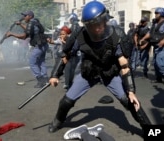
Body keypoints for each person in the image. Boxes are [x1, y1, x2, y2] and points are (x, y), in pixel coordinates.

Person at [48, 0, 151, 134]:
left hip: (109, 73)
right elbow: (65, 55)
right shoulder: (79, 35)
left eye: (99, 24)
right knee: (66, 102)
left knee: (131, 102)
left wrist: (131, 90)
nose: (96, 29)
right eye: (92, 26)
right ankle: (58, 121)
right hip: (88, 72)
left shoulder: (117, 35)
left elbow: (125, 66)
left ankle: (151, 131)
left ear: (105, 20)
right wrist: (55, 75)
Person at [6, 10, 49, 88]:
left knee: (32, 62)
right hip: (44, 44)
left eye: (25, 16)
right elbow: (29, 30)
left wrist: (12, 34)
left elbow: (24, 36)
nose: (24, 17)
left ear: (30, 16)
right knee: (41, 62)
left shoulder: (31, 23)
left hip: (38, 46)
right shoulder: (36, 22)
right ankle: (45, 78)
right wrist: (20, 24)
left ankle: (40, 80)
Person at [140, 7, 164, 83]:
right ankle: (159, 79)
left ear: (161, 14)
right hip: (156, 46)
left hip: (162, 47)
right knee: (155, 64)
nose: (155, 15)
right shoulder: (154, 23)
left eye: (157, 13)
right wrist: (143, 39)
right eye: (155, 13)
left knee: (160, 63)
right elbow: (150, 33)